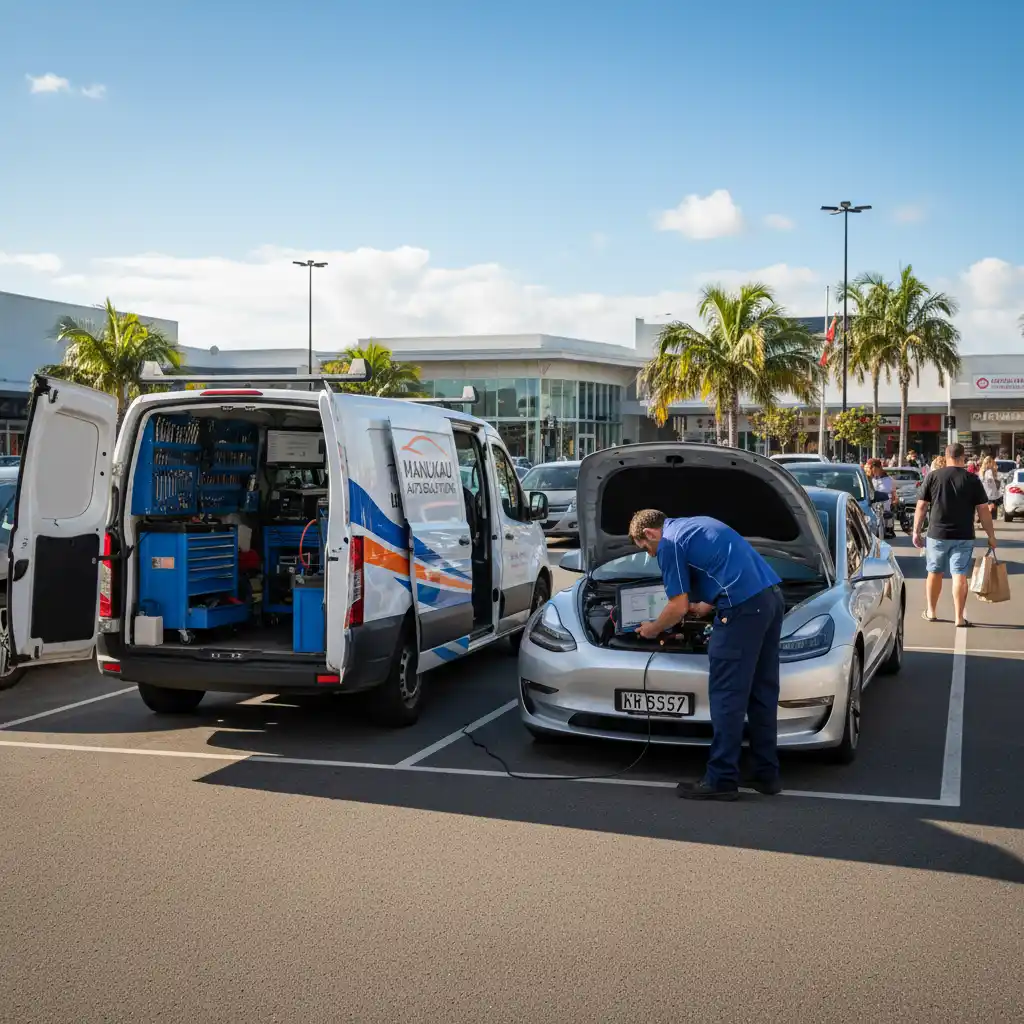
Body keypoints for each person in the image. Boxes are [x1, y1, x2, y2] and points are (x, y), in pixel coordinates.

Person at [629, 509, 785, 801]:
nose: (650, 555)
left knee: (727, 696)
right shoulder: (694, 525)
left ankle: (722, 778)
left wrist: (652, 629)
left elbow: (676, 607)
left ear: (650, 534)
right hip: (770, 599)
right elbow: (728, 568)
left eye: (646, 549)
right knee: (761, 692)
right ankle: (766, 773)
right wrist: (708, 606)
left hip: (742, 610)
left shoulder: (669, 543)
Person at [914, 443, 996, 628]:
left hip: (937, 534)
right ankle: (959, 617)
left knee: (934, 572)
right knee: (959, 574)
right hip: (964, 535)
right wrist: (991, 535)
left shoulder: (933, 476)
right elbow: (983, 510)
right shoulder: (972, 479)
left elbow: (921, 506)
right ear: (963, 457)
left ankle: (931, 611)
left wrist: (916, 531)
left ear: (946, 455)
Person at [979, 455, 1003, 520]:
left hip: (984, 493)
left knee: (990, 506)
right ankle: (987, 515)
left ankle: (985, 516)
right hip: (991, 493)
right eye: (991, 462)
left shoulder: (981, 471)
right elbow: (993, 481)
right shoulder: (989, 471)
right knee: (993, 506)